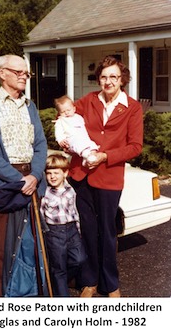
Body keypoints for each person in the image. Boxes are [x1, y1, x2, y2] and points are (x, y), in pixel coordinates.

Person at [68, 55, 143, 297]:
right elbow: (68, 118)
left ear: (122, 80)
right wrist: (63, 133)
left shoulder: (132, 107)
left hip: (109, 178)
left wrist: (105, 156)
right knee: (87, 230)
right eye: (103, 76)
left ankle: (110, 283)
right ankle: (89, 280)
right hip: (82, 175)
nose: (108, 81)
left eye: (113, 77)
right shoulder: (88, 101)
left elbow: (135, 146)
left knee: (108, 232)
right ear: (98, 79)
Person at [0, 54, 47, 297]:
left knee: (32, 244)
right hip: (3, 185)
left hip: (32, 181)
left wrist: (35, 175)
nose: (24, 76)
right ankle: (4, 300)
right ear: (2, 73)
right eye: (19, 72)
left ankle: (32, 295)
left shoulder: (30, 105)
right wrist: (18, 180)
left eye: (26, 73)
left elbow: (40, 144)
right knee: (2, 248)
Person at [40, 153, 86, 296]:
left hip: (72, 229)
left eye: (56, 173)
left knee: (79, 259)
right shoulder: (45, 193)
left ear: (65, 173)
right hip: (54, 232)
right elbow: (41, 214)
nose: (52, 177)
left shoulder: (71, 190)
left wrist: (78, 230)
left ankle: (59, 280)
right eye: (49, 173)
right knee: (58, 267)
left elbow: (75, 211)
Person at [54, 95, 99, 166]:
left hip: (83, 138)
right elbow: (58, 131)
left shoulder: (78, 117)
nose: (66, 113)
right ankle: (88, 156)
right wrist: (60, 140)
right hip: (71, 140)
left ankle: (87, 159)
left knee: (92, 145)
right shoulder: (61, 121)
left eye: (68, 110)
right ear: (59, 113)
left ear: (74, 109)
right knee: (78, 146)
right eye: (63, 112)